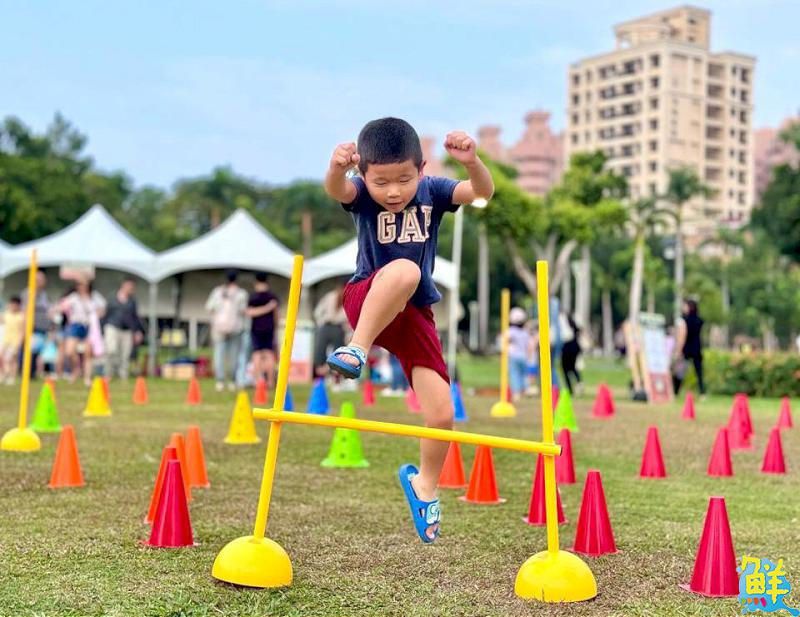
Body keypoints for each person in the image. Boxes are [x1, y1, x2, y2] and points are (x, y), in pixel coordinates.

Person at [322, 117, 494, 542]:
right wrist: (335, 168)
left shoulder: (434, 191)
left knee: (441, 411)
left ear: (421, 170)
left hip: (415, 313)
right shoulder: (360, 192)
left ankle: (425, 488)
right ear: (364, 174)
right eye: (381, 182)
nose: (394, 191)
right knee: (403, 270)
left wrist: (473, 164)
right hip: (368, 299)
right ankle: (356, 349)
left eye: (404, 179)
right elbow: (337, 190)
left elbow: (482, 194)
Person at [206, 269, 248, 392]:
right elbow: (243, 311)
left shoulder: (217, 292)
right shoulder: (241, 293)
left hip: (219, 327)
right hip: (236, 327)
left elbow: (209, 308)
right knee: (234, 355)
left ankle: (220, 381)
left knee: (219, 353)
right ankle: (232, 381)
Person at [61, 280, 106, 385]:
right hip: (75, 325)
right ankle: (76, 369)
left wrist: (96, 314)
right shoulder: (74, 297)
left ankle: (87, 378)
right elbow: (63, 305)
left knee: (88, 353)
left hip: (89, 326)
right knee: (69, 351)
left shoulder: (94, 297)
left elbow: (102, 308)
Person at [103, 278, 144, 380]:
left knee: (125, 354)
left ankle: (123, 376)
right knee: (111, 350)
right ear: (123, 285)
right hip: (112, 327)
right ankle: (109, 374)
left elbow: (135, 317)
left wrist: (137, 331)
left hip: (127, 330)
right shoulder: (112, 298)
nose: (130, 288)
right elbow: (105, 314)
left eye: (132, 287)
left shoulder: (132, 301)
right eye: (129, 286)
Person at [245, 272, 279, 388]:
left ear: (256, 282)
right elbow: (276, 314)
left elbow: (249, 312)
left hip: (256, 329)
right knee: (269, 354)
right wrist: (269, 309)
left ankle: (258, 380)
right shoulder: (272, 297)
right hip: (269, 328)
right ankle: (270, 381)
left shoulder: (253, 297)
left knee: (257, 354)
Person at [312, 284, 348, 379]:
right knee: (336, 355)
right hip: (335, 328)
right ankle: (332, 378)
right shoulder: (343, 297)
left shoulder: (331, 295)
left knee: (323, 353)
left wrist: (321, 322)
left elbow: (317, 311)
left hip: (329, 327)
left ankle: (324, 378)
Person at [19, 270, 51, 378]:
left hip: (42, 328)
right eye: (39, 280)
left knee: (37, 351)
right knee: (30, 351)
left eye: (42, 280)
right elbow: (25, 310)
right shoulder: (28, 293)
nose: (42, 282)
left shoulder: (44, 294)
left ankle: (33, 373)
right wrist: (26, 326)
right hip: (32, 326)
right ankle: (27, 373)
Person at [674, 299, 705, 399]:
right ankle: (702, 393)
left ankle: (676, 391)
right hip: (697, 348)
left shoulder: (684, 321)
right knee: (699, 372)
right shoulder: (699, 321)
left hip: (686, 349)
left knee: (680, 371)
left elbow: (682, 336)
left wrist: (678, 350)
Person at [508, 307, 532, 403]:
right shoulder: (525, 332)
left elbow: (505, 340)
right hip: (523, 356)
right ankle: (526, 389)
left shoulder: (511, 331)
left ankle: (516, 393)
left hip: (513, 356)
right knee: (524, 374)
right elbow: (529, 345)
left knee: (514, 374)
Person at [0, 297, 25, 384]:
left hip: (15, 341)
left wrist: (19, 342)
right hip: (5, 339)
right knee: (2, 357)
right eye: (11, 304)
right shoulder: (6, 314)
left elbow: (22, 330)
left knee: (12, 359)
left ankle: (12, 377)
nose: (13, 306)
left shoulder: (21, 316)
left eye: (15, 305)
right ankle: (3, 374)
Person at [560, 312, 583, 395]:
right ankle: (579, 383)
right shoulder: (572, 322)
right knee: (572, 368)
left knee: (565, 369)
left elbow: (565, 336)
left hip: (567, 348)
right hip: (575, 347)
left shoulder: (562, 321)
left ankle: (570, 389)